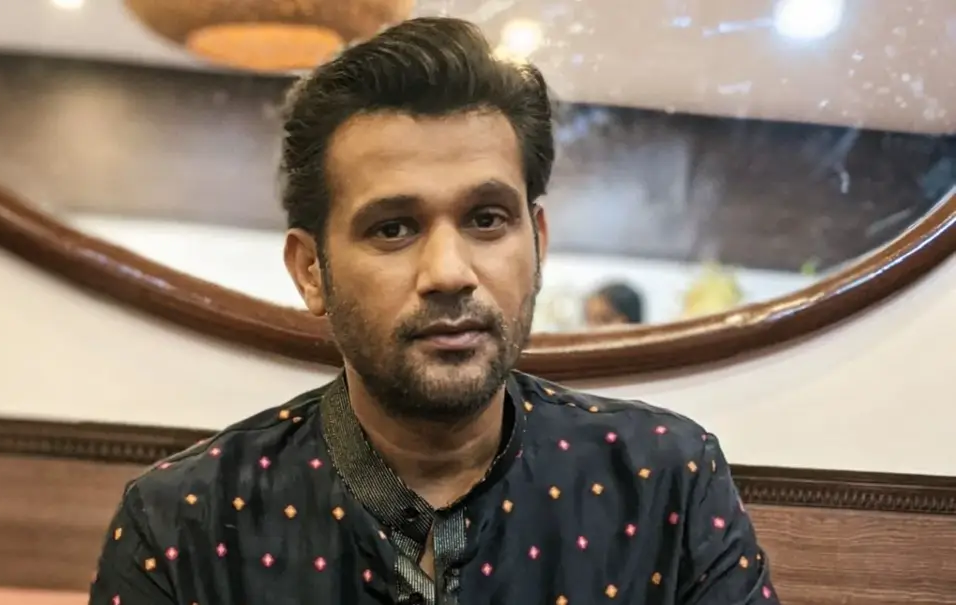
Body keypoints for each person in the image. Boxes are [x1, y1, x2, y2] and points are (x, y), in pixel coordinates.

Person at [89, 17, 779, 605]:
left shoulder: (667, 483)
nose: (449, 272)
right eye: (392, 228)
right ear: (311, 270)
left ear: (537, 244)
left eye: (487, 219)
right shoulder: (182, 524)